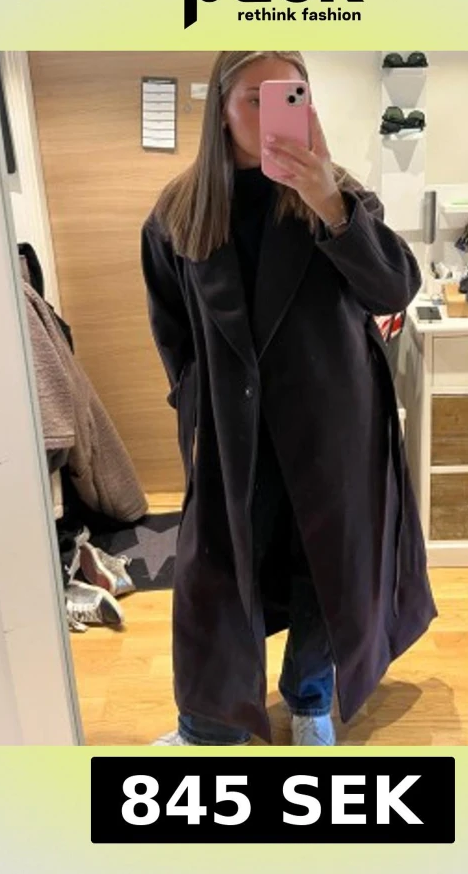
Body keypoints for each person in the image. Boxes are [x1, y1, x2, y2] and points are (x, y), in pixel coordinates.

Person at [140, 51, 437, 746]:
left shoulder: (340, 194)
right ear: (221, 109)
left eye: (293, 94)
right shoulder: (177, 214)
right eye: (256, 97)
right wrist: (196, 400)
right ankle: (207, 725)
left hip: (332, 425)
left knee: (322, 571)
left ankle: (310, 699)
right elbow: (171, 327)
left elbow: (393, 292)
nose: (276, 110)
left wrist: (330, 204)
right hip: (233, 431)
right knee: (215, 580)